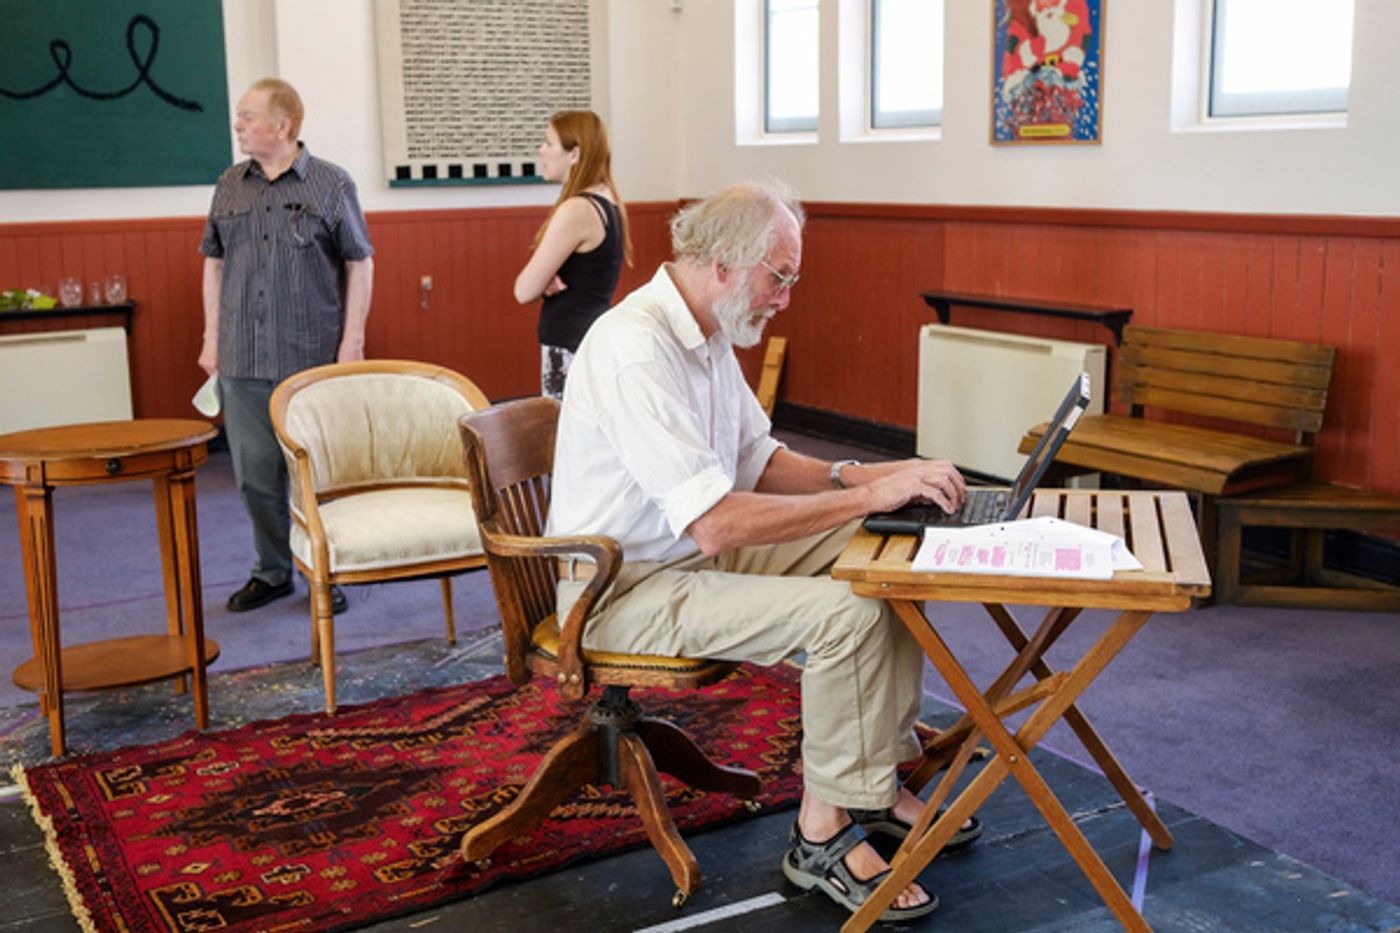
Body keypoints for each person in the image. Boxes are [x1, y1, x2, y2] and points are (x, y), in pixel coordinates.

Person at [546, 181, 980, 922]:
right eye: (779, 276)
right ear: (723, 263)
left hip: (689, 557)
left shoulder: (706, 327)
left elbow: (757, 459)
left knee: (891, 546)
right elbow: (714, 522)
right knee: (846, 611)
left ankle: (869, 782)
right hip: (622, 589)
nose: (785, 296)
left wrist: (875, 478)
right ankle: (821, 831)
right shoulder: (635, 350)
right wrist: (864, 496)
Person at [198, 78, 374, 615]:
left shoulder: (330, 183)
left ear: (284, 125)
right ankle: (273, 572)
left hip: (310, 356)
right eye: (239, 115)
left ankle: (324, 570)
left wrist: (353, 341)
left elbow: (359, 261)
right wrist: (211, 338)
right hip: (242, 355)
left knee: (312, 475)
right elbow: (214, 262)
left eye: (248, 116)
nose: (238, 124)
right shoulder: (230, 185)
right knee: (254, 476)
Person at [513, 110, 631, 399]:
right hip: (586, 337)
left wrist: (543, 278)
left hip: (570, 346)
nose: (541, 151)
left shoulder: (577, 209)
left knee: (567, 439)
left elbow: (524, 290)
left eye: (549, 143)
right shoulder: (607, 200)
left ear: (574, 154)